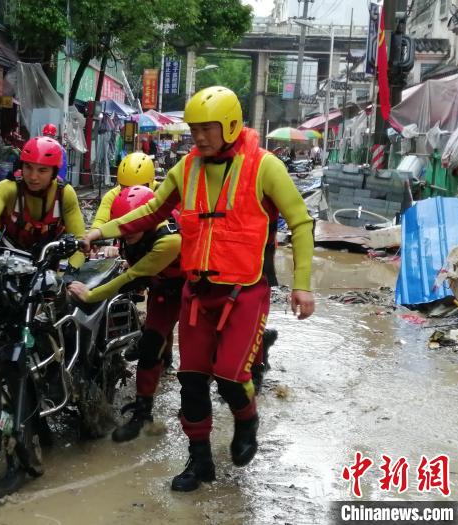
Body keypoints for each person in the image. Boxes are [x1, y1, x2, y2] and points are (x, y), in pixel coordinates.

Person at [83, 86, 315, 492]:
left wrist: (302, 284)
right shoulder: (185, 168)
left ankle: (247, 421)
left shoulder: (264, 167)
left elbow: (300, 221)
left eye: (207, 129)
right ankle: (200, 459)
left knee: (229, 376)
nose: (199, 137)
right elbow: (151, 209)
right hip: (196, 293)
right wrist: (100, 230)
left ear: (229, 125)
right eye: (194, 129)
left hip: (244, 293)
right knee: (191, 380)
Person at [68, 185, 183, 442]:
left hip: (193, 291)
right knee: (150, 344)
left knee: (205, 355)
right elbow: (118, 226)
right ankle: (143, 414)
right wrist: (91, 236)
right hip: (163, 289)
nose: (127, 233)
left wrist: (91, 294)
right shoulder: (130, 227)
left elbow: (131, 277)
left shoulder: (169, 240)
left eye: (133, 228)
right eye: (125, 228)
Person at [0, 136, 85, 271]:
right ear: (21, 166)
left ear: (54, 172)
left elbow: (80, 240)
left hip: (46, 265)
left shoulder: (65, 194)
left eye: (42, 170)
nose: (33, 177)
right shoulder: (8, 187)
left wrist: (72, 272)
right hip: (7, 261)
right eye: (28, 167)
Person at [91, 152, 156, 230]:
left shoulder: (162, 192)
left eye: (137, 188)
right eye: (125, 188)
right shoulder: (112, 195)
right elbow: (100, 221)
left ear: (150, 184)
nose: (131, 193)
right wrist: (94, 232)